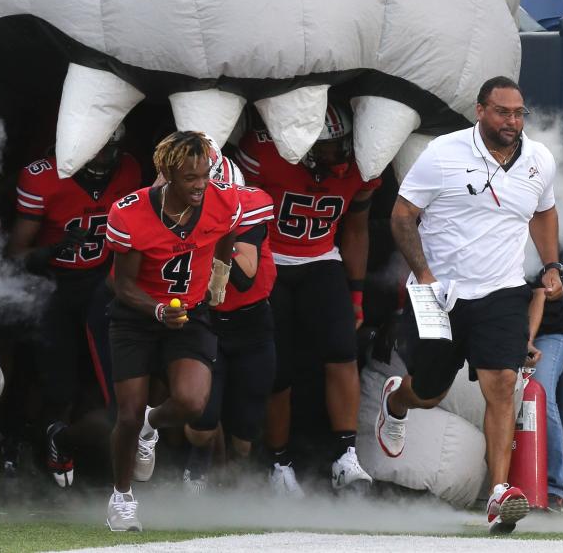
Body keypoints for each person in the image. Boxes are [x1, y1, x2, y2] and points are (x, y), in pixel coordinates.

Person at [378, 76, 563, 535]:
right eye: (503, 112)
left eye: (520, 113)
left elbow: (543, 210)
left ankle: (499, 495)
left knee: (503, 384)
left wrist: (552, 264)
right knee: (430, 392)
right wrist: (424, 273)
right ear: (480, 111)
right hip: (439, 292)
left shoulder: (539, 159)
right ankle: (397, 401)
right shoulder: (443, 152)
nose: (513, 122)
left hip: (501, 291)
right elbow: (402, 216)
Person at [103, 131, 241, 532]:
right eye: (189, 178)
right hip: (137, 315)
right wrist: (158, 309)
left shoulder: (222, 200)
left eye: (205, 176)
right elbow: (121, 284)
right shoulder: (129, 213)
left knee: (193, 402)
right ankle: (122, 497)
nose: (200, 186)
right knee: (127, 415)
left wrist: (220, 273)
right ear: (165, 174)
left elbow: (229, 228)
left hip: (189, 313)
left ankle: (153, 424)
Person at [237, 105, 378, 496]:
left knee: (342, 351)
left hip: (321, 258)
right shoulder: (265, 153)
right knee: (277, 369)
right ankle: (279, 462)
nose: (339, 155)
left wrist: (356, 293)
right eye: (329, 148)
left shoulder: (360, 167)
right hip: (271, 261)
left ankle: (346, 455)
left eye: (342, 145)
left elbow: (356, 228)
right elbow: (238, 218)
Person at [8, 126, 141, 488]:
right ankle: (45, 452)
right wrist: (50, 252)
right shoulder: (42, 178)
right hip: (53, 286)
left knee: (114, 384)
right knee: (57, 384)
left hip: (103, 282)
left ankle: (101, 461)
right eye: (95, 149)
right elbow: (15, 254)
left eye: (108, 149)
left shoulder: (128, 170)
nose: (102, 159)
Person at [183, 154, 277, 492]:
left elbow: (244, 279)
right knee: (203, 419)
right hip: (204, 322)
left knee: (245, 431)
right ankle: (197, 467)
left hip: (251, 324)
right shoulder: (170, 210)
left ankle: (235, 483)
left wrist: (210, 235)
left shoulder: (252, 208)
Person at [526, 282, 563, 512]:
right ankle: (502, 486)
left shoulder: (535, 250)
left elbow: (538, 294)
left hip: (550, 334)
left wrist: (526, 342)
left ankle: (555, 488)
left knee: (540, 395)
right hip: (505, 333)